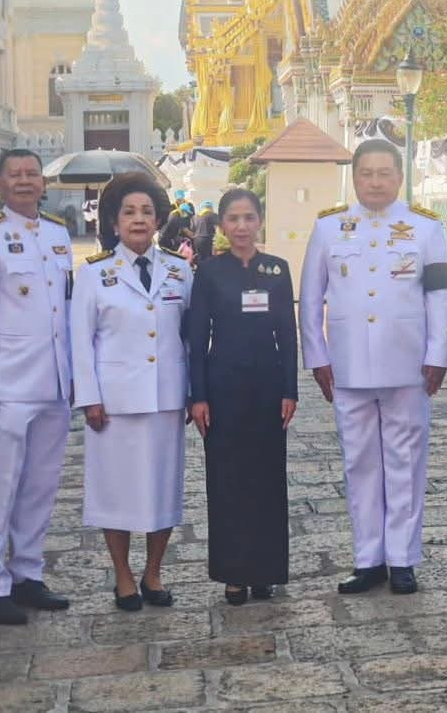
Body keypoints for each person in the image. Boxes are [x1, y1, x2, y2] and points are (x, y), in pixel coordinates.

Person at [299, 139, 447, 596]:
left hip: (408, 364)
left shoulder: (425, 228)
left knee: (406, 462)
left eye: (384, 173)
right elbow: (310, 297)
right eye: (366, 173)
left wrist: (438, 354)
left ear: (400, 177)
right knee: (360, 463)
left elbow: (440, 296)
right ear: (354, 177)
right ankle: (368, 559)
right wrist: (317, 356)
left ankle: (402, 558)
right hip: (348, 366)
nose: (375, 182)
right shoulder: (329, 227)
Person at [0, 149, 74, 625]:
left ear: (43, 183)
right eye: (15, 174)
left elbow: (65, 308)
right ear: (0, 183)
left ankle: (27, 572)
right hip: (7, 382)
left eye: (32, 173)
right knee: (0, 487)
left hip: (54, 380)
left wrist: (74, 376)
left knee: (41, 485)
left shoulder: (58, 233)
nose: (25, 181)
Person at [71, 173, 189, 610]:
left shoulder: (179, 270)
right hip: (114, 403)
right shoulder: (94, 273)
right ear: (114, 221)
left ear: (158, 219)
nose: (139, 220)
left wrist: (193, 392)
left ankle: (153, 572)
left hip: (166, 398)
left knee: (163, 489)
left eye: (146, 212)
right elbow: (80, 341)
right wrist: (90, 397)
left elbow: (191, 336)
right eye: (129, 212)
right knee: (116, 491)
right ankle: (122, 575)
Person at [185, 187, 298, 604]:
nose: (242, 226)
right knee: (227, 480)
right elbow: (197, 339)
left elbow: (288, 334)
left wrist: (290, 389)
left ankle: (265, 570)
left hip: (268, 388)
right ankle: (234, 572)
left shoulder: (277, 270)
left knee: (267, 480)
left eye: (249, 217)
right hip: (223, 389)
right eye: (233, 218)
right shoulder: (210, 272)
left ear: (260, 221)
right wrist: (198, 396)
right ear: (221, 225)